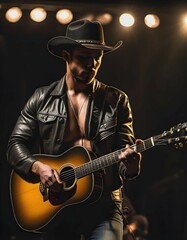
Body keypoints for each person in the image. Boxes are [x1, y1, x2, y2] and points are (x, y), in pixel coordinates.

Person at [7, 19, 142, 240]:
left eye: (97, 57)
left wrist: (132, 167)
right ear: (66, 56)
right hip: (56, 207)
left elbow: (124, 156)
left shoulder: (116, 101)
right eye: (83, 57)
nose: (92, 64)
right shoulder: (42, 98)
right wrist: (38, 168)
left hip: (104, 206)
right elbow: (15, 145)